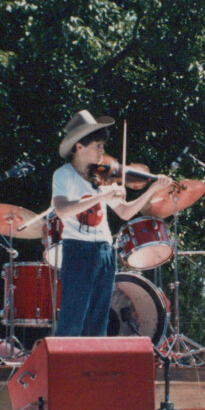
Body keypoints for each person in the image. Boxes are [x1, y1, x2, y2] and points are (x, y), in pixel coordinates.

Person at [52, 110, 172, 337]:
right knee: (73, 318)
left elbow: (126, 213)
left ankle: (91, 370)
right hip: (78, 248)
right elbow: (62, 209)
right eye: (98, 145)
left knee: (99, 319)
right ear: (79, 146)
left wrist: (153, 189)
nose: (102, 151)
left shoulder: (100, 177)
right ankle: (66, 370)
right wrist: (101, 197)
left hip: (105, 250)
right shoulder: (63, 175)